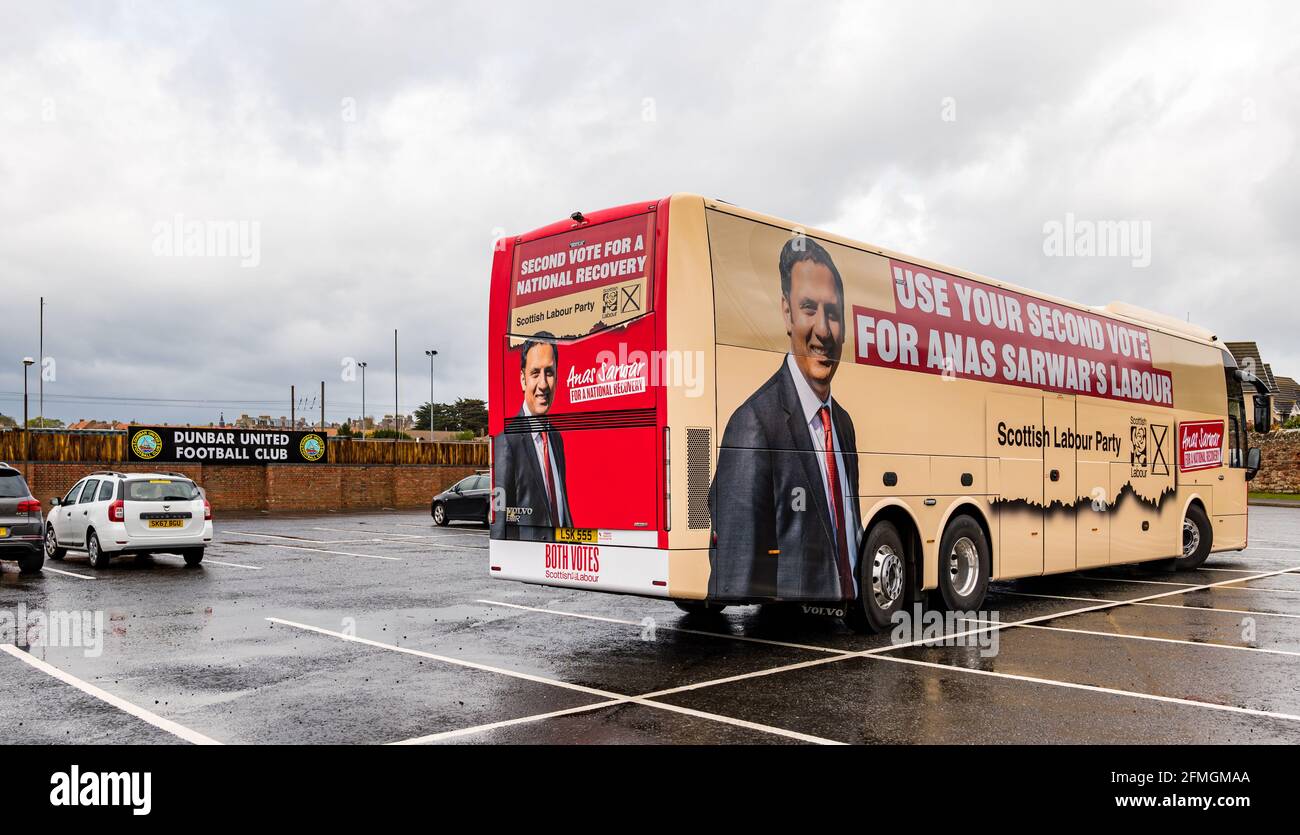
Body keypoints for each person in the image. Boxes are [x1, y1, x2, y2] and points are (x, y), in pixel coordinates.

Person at [709, 236, 860, 601]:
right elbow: (736, 576)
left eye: (833, 313)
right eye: (809, 309)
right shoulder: (753, 424)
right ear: (787, 314)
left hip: (833, 633)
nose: (824, 330)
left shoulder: (842, 425)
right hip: (786, 637)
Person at [491, 332, 573, 537]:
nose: (543, 384)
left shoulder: (556, 438)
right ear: (522, 379)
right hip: (529, 561)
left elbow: (562, 506)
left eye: (550, 372)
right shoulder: (506, 441)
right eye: (535, 373)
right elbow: (499, 518)